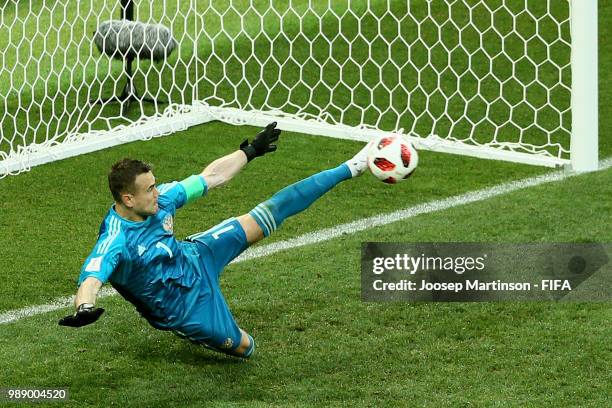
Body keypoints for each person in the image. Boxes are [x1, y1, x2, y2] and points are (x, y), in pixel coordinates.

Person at [59, 122, 370, 358]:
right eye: (149, 189)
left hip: (196, 256)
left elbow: (212, 177)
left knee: (267, 214)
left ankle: (353, 166)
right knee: (246, 348)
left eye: (155, 185)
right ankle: (210, 331)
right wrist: (85, 308)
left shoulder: (162, 199)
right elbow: (91, 279)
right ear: (128, 198)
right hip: (183, 309)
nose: (158, 192)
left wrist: (249, 152)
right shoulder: (115, 240)